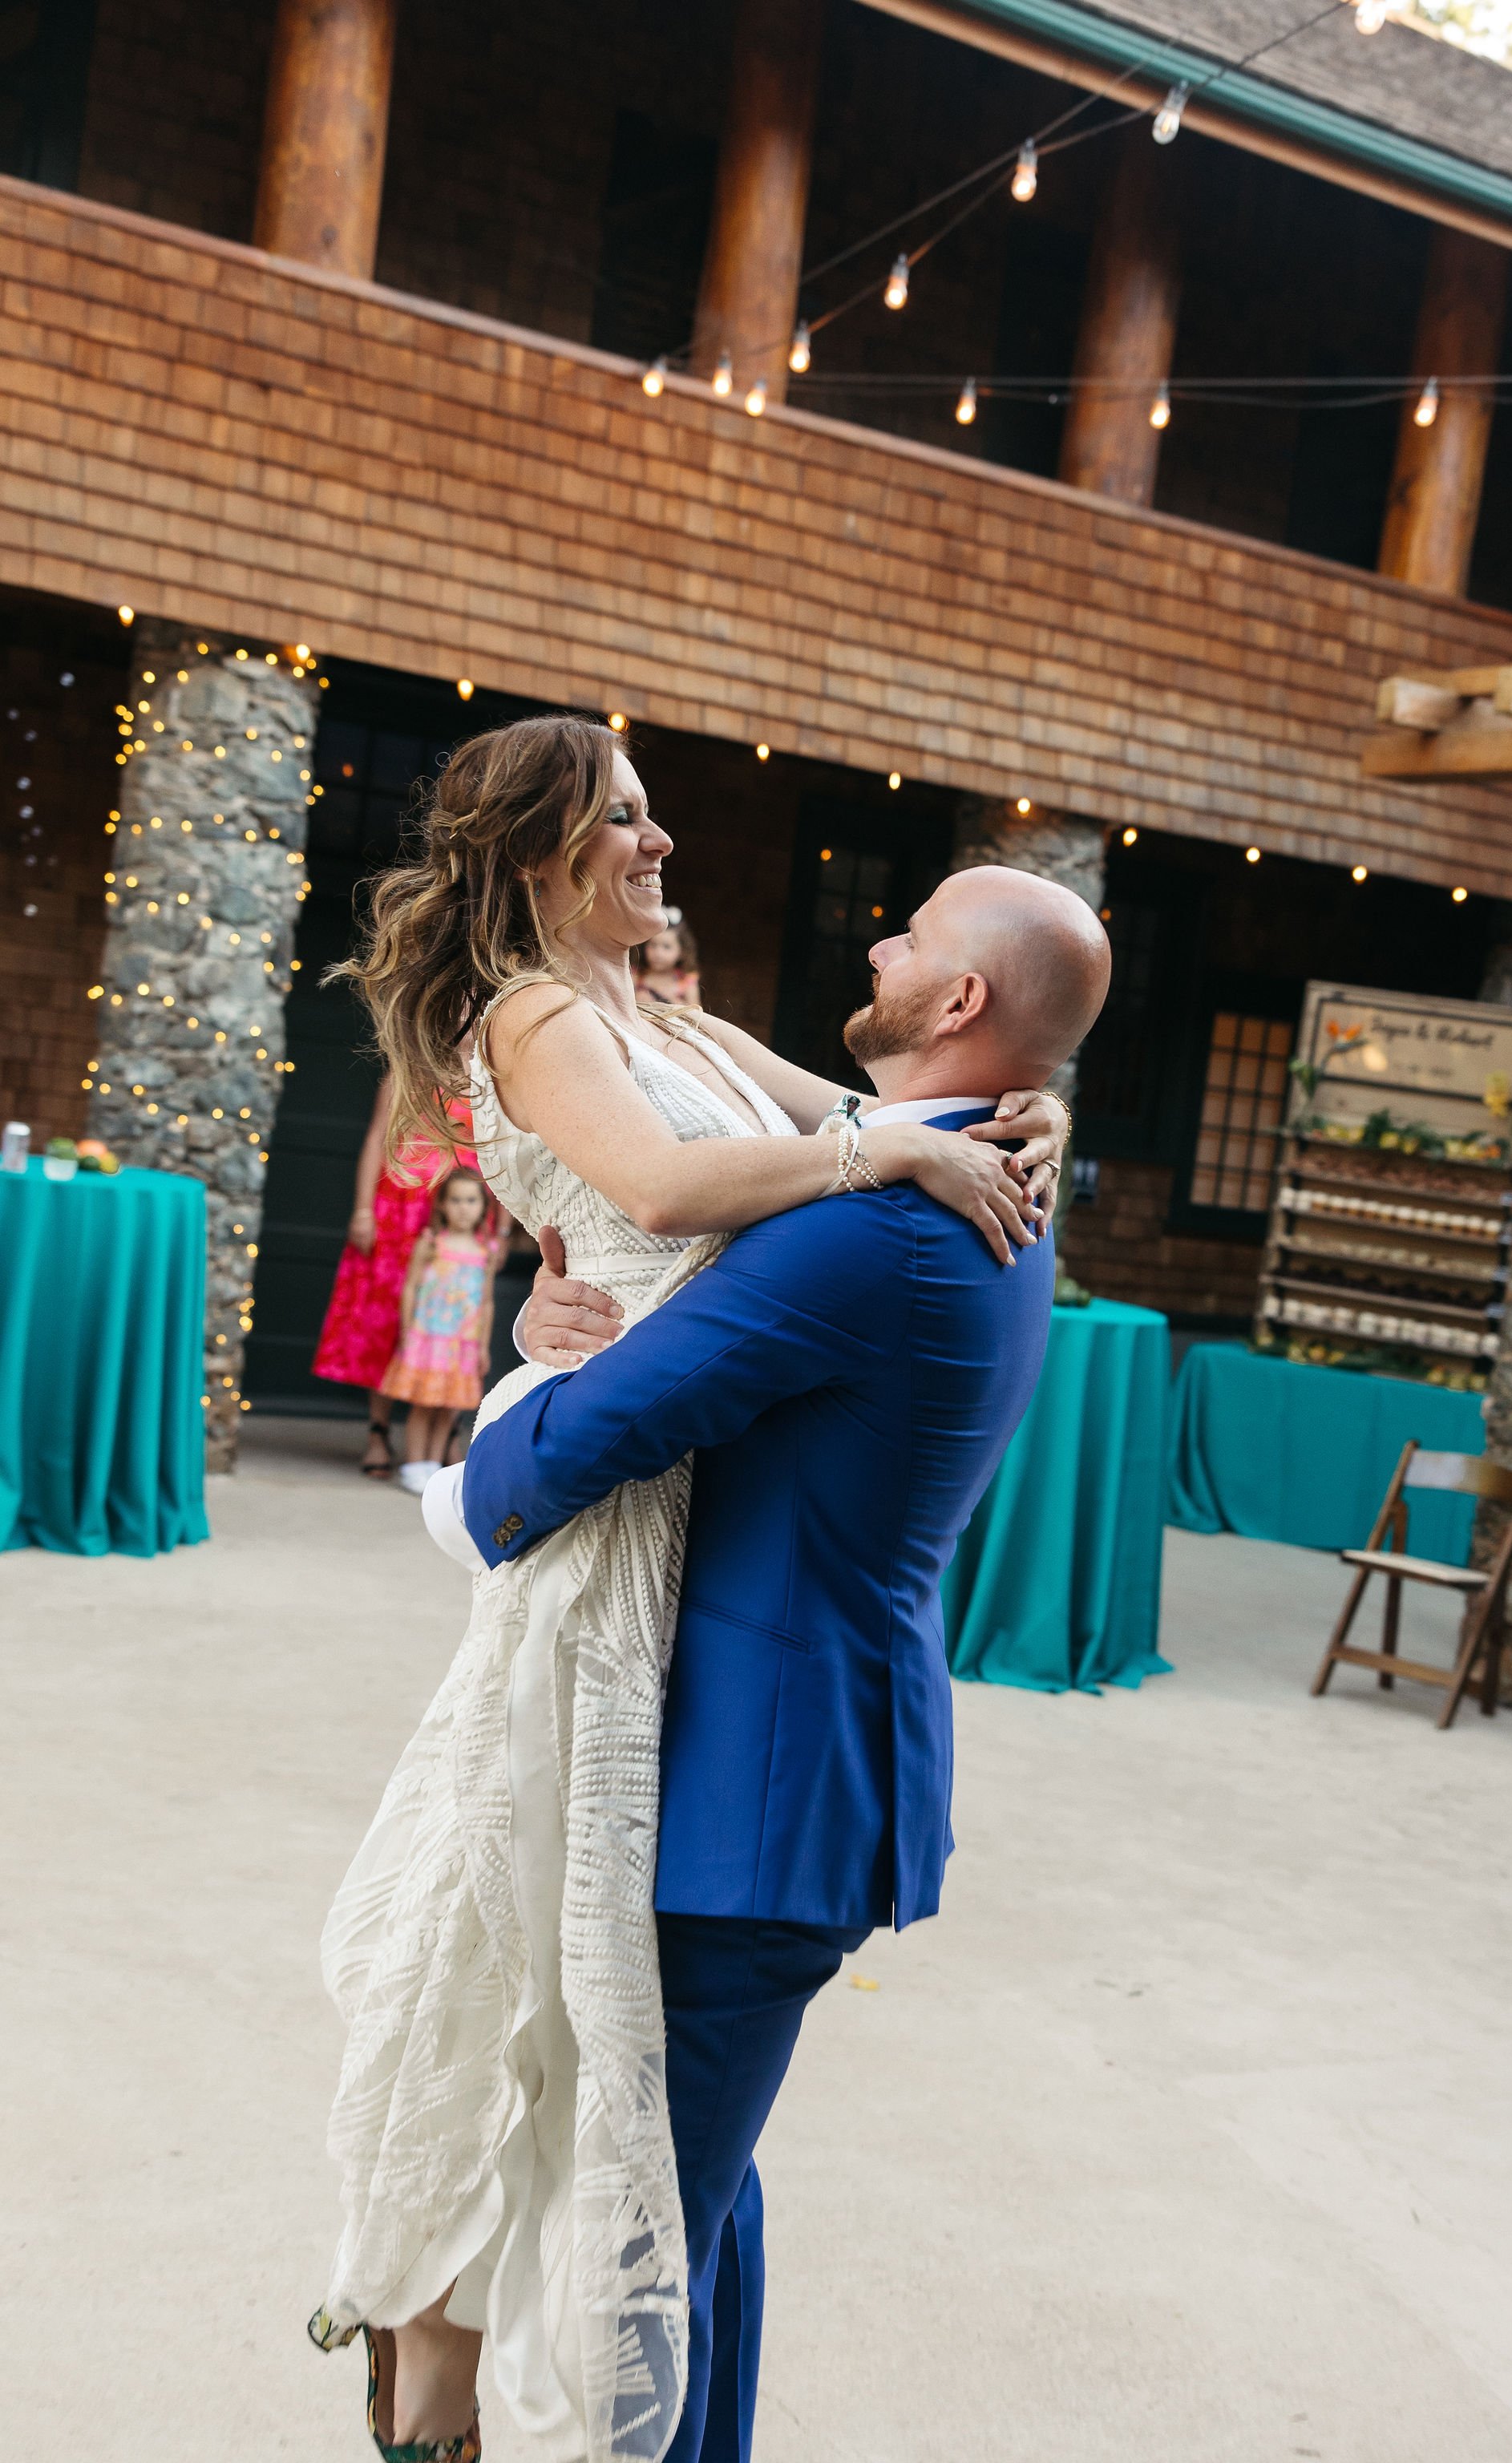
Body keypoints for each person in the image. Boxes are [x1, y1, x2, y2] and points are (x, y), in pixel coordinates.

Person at [307, 711, 1073, 2463]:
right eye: (625, 822)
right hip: (613, 1518)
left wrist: (998, 1115)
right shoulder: (535, 1013)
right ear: (538, 862)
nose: (661, 846)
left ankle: (461, 2367)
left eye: (654, 818)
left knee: (622, 2098)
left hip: (681, 1516)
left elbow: (848, 1110)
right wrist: (891, 1152)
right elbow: (666, 1185)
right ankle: (432, 2362)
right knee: (523, 1998)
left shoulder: (669, 1015)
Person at [310, 1075, 483, 1478]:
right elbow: (377, 1139)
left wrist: (502, 1227)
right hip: (398, 1210)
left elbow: (505, 1154)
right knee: (388, 1320)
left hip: (464, 1213)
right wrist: (362, 1210)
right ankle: (378, 1432)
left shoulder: (488, 1077)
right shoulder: (405, 1075)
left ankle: (447, 1434)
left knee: (457, 1321)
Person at [379, 1167, 504, 1496]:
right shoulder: (432, 1243)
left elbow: (487, 1302)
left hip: (461, 1343)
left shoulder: (486, 1252)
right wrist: (407, 1330)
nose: (464, 1208)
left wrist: (482, 1346)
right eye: (456, 1200)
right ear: (443, 1206)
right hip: (428, 1338)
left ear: (483, 1207)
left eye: (471, 1200)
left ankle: (433, 1467)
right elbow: (410, 1288)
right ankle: (413, 1464)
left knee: (448, 1408)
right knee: (423, 1404)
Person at [631, 908, 700, 1006]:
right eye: (653, 945)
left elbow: (697, 1015)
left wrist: (674, 1003)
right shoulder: (636, 976)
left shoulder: (686, 981)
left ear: (682, 952)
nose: (658, 953)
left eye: (667, 947)